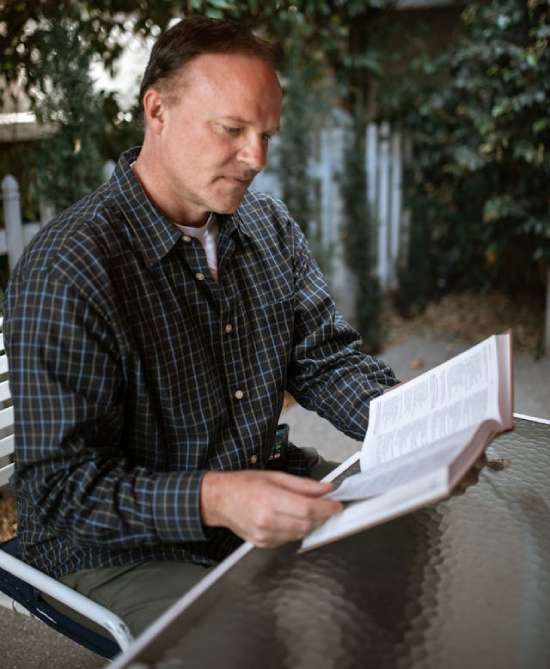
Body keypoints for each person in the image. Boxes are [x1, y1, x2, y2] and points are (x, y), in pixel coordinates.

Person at [3, 16, 398, 636]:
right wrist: (217, 497)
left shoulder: (266, 227)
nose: (257, 158)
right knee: (251, 633)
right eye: (232, 129)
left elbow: (326, 358)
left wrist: (418, 419)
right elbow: (60, 493)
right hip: (119, 549)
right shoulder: (70, 267)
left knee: (399, 536)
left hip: (255, 482)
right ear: (157, 111)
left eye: (267, 134)